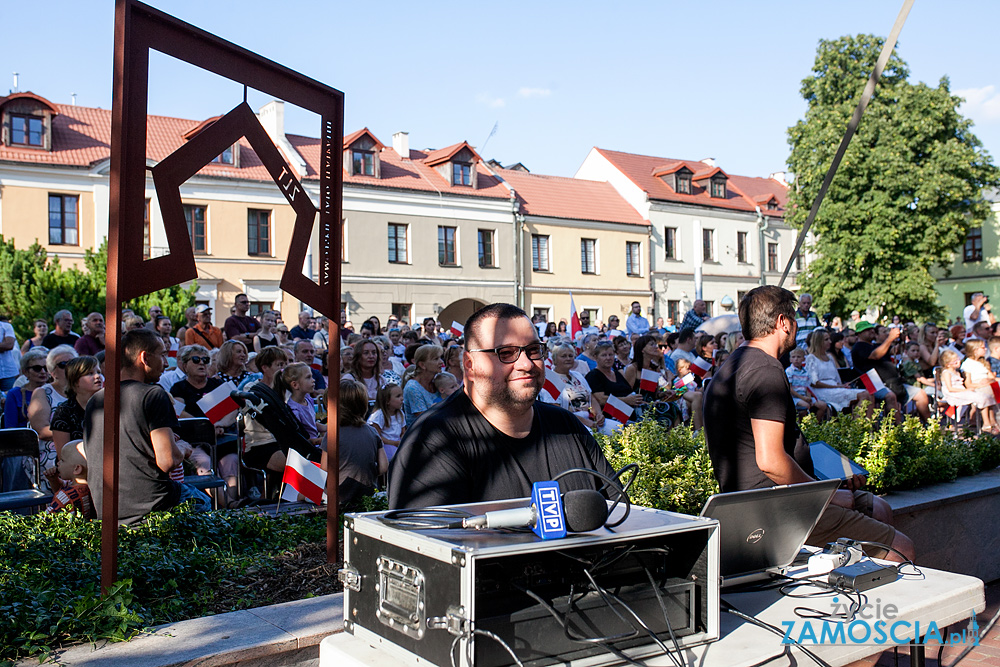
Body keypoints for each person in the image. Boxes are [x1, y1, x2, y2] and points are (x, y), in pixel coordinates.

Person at [703, 285, 913, 562]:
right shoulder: (765, 370)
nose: (796, 325)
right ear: (782, 323)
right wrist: (825, 496)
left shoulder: (733, 364)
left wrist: (832, 479)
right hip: (775, 506)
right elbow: (770, 461)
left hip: (770, 498)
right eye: (793, 317)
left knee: (879, 508)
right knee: (902, 548)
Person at [388, 303, 617, 509]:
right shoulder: (433, 440)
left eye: (533, 350)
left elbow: (617, 514)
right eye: (506, 353)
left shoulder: (566, 426)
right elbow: (428, 546)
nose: (526, 364)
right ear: (470, 365)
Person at [84, 328, 210, 525]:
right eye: (162, 355)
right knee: (204, 502)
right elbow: (168, 461)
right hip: (152, 504)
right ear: (144, 358)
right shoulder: (153, 395)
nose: (166, 363)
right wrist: (183, 449)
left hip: (106, 507)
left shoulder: (96, 399)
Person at [853, 322, 930, 422]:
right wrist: (890, 338)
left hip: (892, 383)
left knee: (920, 394)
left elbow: (896, 350)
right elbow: (875, 355)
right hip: (873, 384)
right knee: (890, 396)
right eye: (867, 330)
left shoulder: (877, 345)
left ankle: (929, 425)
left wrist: (901, 339)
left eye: (872, 329)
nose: (871, 331)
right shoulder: (859, 347)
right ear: (859, 334)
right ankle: (897, 429)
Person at [27, 345, 77, 491]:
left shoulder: (83, 390)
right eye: (63, 364)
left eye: (72, 363)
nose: (69, 367)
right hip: (50, 451)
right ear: (51, 371)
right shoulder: (42, 393)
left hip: (81, 446)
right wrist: (76, 432)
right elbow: (42, 431)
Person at [337, 379, 387, 511]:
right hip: (367, 496)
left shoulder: (333, 434)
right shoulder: (372, 431)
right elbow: (383, 466)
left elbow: (324, 469)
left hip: (340, 497)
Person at [540, 342, 606, 431]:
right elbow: (557, 409)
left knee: (617, 428)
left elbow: (591, 398)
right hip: (568, 421)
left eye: (571, 356)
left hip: (589, 418)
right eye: (563, 356)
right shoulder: (550, 378)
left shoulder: (577, 375)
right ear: (555, 359)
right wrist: (585, 422)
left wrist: (598, 414)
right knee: (590, 434)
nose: (568, 359)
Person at [805, 329, 869, 415]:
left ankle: (867, 425)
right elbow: (814, 382)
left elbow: (836, 378)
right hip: (823, 391)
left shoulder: (830, 358)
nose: (830, 341)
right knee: (864, 395)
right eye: (826, 339)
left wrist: (842, 385)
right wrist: (835, 386)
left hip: (835, 387)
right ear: (819, 341)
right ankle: (856, 424)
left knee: (869, 394)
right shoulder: (811, 358)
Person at [50, 356, 104, 457]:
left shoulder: (109, 406)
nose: (97, 376)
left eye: (99, 372)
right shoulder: (64, 411)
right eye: (90, 373)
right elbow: (63, 454)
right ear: (75, 381)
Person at [586, 340, 644, 423]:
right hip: (612, 420)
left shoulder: (617, 374)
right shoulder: (593, 376)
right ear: (596, 357)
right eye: (604, 355)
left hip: (632, 416)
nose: (608, 358)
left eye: (611, 355)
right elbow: (601, 399)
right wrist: (626, 400)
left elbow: (628, 392)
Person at [43, 440, 94, 518]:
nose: (58, 463)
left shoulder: (65, 497)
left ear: (77, 469)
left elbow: (48, 518)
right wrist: (54, 480)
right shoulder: (92, 488)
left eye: (62, 460)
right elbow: (66, 487)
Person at [278, 362, 325, 446]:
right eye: (308, 377)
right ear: (295, 385)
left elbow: (311, 424)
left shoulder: (307, 399)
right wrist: (319, 440)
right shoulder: (294, 410)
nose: (313, 380)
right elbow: (299, 439)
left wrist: (327, 428)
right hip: (311, 449)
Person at [960, 339, 999, 433]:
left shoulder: (983, 362)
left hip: (988, 384)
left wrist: (989, 380)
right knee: (987, 392)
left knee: (994, 388)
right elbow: (968, 383)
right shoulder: (967, 364)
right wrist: (980, 384)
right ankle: (987, 422)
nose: (985, 349)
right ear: (975, 350)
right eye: (982, 347)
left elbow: (991, 377)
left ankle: (993, 420)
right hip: (977, 386)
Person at [402, 344, 442, 426]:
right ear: (422, 365)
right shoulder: (413, 387)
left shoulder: (438, 381)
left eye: (440, 358)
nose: (441, 362)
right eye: (436, 359)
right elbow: (425, 419)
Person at [786, 348, 828, 420]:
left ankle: (816, 425)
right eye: (793, 357)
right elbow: (789, 389)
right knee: (805, 406)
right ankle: (802, 425)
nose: (796, 359)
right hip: (795, 398)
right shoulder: (789, 371)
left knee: (822, 405)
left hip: (804, 396)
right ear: (790, 359)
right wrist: (803, 398)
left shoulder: (805, 372)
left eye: (799, 357)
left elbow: (807, 387)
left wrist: (808, 398)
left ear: (803, 359)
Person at [368, 383, 405, 461]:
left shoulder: (400, 413)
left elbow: (403, 432)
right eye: (398, 396)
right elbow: (376, 437)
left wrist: (402, 441)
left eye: (402, 395)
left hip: (398, 445)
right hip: (385, 446)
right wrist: (393, 443)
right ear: (387, 401)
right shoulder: (379, 416)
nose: (402, 398)